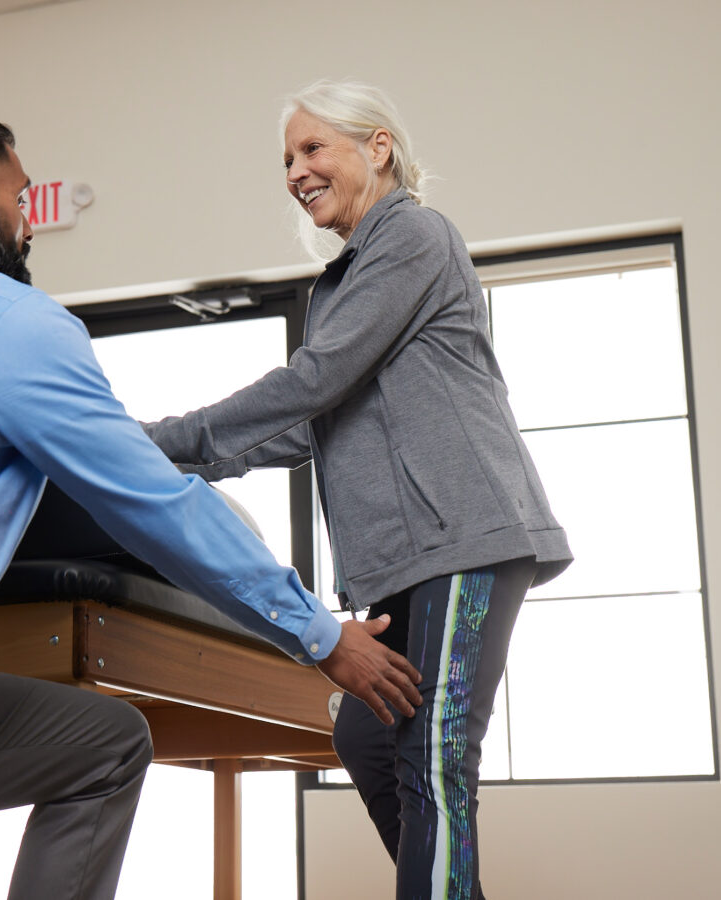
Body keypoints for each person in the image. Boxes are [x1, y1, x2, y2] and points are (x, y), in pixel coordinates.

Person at [0, 105, 423, 900]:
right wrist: (317, 633)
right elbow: (154, 505)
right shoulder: (12, 324)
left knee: (105, 743)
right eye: (23, 202)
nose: (30, 226)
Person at [142, 81, 573, 899]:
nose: (296, 171)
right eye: (287, 159)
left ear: (378, 147)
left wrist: (163, 438)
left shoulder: (413, 234)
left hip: (465, 537)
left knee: (435, 756)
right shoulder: (346, 279)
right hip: (402, 562)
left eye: (313, 149)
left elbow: (316, 378)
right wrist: (158, 462)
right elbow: (306, 425)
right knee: (372, 745)